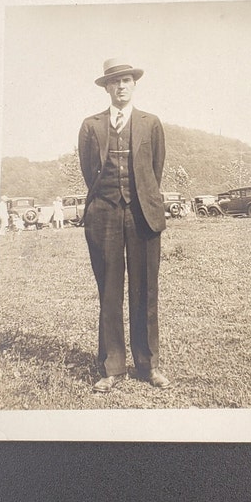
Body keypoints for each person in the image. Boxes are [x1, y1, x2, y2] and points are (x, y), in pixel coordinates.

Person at [78, 58, 170, 393]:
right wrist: (109, 199)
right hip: (103, 215)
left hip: (143, 214)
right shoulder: (91, 125)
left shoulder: (151, 123)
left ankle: (148, 365)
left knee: (145, 290)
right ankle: (111, 367)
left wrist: (140, 198)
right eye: (115, 81)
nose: (121, 86)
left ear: (134, 84)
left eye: (127, 80)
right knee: (110, 292)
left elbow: (154, 173)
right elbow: (91, 172)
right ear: (106, 87)